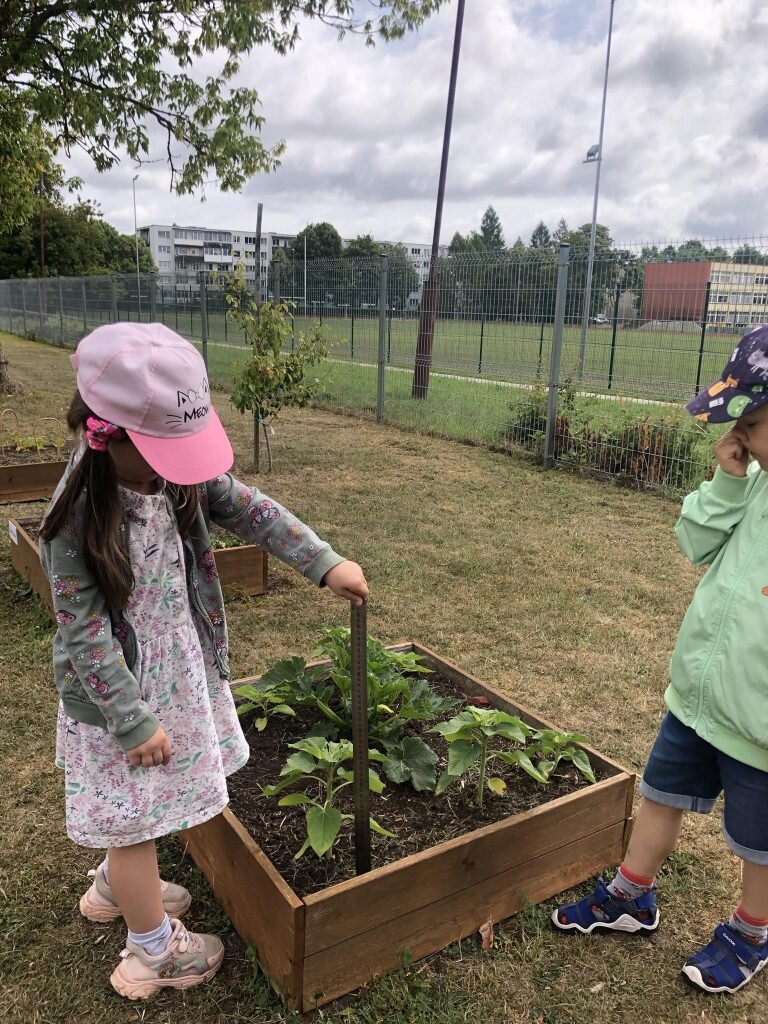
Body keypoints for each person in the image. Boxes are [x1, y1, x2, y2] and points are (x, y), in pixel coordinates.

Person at [40, 322, 369, 1000]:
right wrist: (131, 720)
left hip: (173, 669)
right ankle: (152, 952)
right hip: (117, 697)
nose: (182, 465)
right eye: (168, 450)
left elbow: (254, 510)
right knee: (135, 818)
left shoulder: (172, 479)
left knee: (138, 808)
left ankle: (117, 888)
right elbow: (84, 633)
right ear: (110, 437)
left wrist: (322, 561)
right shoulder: (75, 518)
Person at [552, 325, 768, 994]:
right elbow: (695, 544)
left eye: (752, 423)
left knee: (759, 842)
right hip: (700, 697)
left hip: (761, 724)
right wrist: (728, 480)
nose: (739, 435)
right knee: (661, 793)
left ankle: (751, 933)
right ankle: (630, 895)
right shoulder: (755, 485)